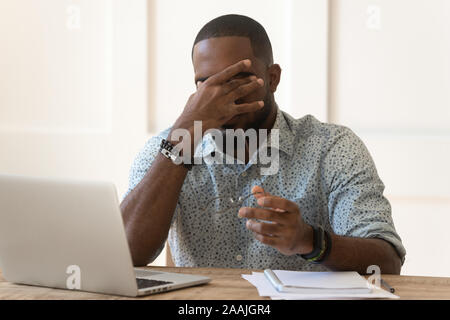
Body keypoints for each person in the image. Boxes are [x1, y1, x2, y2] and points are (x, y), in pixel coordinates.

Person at [120, 14, 406, 274]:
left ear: (273, 78)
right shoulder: (169, 147)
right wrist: (183, 132)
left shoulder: (331, 148)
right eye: (205, 84)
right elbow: (125, 254)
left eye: (237, 79)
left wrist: (311, 241)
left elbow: (387, 262)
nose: (221, 97)